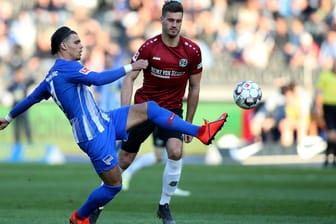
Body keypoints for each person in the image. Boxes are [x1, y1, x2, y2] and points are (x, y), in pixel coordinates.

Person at [0, 26, 228, 224]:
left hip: (105, 120)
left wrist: (9, 117)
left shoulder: (51, 76)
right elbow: (98, 79)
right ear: (63, 47)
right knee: (114, 186)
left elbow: (31, 98)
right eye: (76, 42)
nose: (82, 46)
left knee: (150, 108)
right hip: (93, 137)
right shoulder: (66, 69)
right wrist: (131, 66)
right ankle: (80, 216)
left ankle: (200, 131)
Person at [121, 1, 203, 223]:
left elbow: (194, 88)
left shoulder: (192, 51)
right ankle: (97, 203)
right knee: (124, 160)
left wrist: (189, 123)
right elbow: (129, 77)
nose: (175, 25)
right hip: (145, 108)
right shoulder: (148, 48)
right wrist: (124, 113)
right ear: (163, 20)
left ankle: (164, 205)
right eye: (171, 20)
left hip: (172, 110)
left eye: (178, 21)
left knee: (175, 152)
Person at [122, 127, 191, 197]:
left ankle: (172, 187)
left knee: (179, 154)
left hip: (173, 124)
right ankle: (127, 173)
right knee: (158, 156)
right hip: (160, 125)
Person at [315, 61, 336, 167]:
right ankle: (329, 158)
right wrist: (318, 107)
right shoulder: (325, 75)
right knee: (331, 135)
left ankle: (329, 159)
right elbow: (319, 91)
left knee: (333, 136)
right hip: (328, 107)